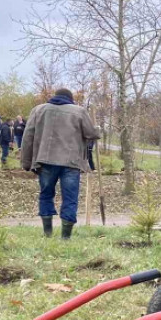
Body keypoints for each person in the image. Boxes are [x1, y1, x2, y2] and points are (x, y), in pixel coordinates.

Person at [21, 88, 100, 239]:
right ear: (71, 99)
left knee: (46, 195)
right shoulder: (79, 111)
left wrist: (26, 162)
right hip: (71, 162)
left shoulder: (38, 110)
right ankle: (65, 237)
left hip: (45, 161)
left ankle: (48, 234)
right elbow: (91, 134)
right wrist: (97, 129)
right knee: (70, 198)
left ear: (54, 97)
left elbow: (27, 137)